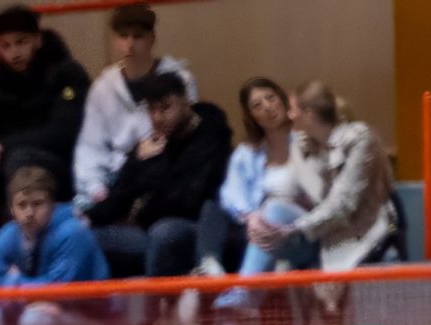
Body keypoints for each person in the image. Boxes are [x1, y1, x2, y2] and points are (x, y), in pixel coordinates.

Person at [82, 72, 229, 280]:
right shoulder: (153, 143)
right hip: (145, 229)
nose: (157, 117)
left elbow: (190, 201)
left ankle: (158, 299)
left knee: (163, 233)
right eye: (151, 110)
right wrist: (87, 217)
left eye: (165, 108)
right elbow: (120, 195)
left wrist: (152, 165)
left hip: (193, 227)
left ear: (185, 101)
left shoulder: (210, 133)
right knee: (78, 235)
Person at [0, 7, 90, 230]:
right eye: (5, 46)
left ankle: (21, 240)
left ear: (38, 40)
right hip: (8, 159)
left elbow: (63, 133)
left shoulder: (67, 74)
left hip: (60, 165)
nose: (14, 53)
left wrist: (2, 146)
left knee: (20, 161)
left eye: (21, 42)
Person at [0, 166, 111, 325]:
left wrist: (14, 282)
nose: (29, 212)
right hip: (28, 311)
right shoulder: (6, 236)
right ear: (11, 209)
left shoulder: (73, 233)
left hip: (90, 319)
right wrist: (29, 296)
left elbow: (59, 289)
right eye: (22, 205)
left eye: (38, 204)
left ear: (52, 205)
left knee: (34, 321)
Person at [72, 5, 196, 210]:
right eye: (123, 36)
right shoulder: (103, 87)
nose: (129, 45)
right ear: (115, 40)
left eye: (138, 36)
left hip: (165, 175)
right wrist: (95, 188)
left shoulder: (180, 80)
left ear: (152, 39)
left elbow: (191, 138)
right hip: (116, 179)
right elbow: (91, 146)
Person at [196, 78, 316, 278]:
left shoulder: (307, 142)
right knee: (212, 208)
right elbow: (231, 194)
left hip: (295, 226)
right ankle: (210, 267)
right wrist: (251, 217)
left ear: (283, 99)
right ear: (251, 116)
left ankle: (245, 288)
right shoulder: (247, 153)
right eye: (257, 106)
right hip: (254, 226)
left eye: (271, 98)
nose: (267, 107)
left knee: (275, 210)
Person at [280, 81, 402, 273]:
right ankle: (250, 286)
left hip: (370, 241)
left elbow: (342, 203)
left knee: (277, 224)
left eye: (293, 110)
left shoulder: (360, 138)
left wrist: (294, 229)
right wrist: (301, 155)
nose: (289, 116)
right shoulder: (312, 147)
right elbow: (316, 197)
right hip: (334, 241)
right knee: (274, 214)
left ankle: (246, 287)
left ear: (308, 115)